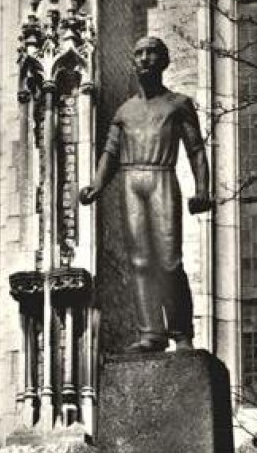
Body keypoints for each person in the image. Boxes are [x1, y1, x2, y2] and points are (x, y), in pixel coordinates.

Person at [79, 36, 212, 352]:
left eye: (152, 52)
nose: (145, 58)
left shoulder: (178, 104)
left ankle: (181, 333)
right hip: (131, 181)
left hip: (161, 176)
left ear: (163, 61)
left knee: (168, 260)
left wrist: (202, 190)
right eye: (139, 53)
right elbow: (111, 152)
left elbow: (195, 150)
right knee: (140, 261)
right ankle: (151, 332)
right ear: (133, 61)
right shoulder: (125, 111)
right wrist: (97, 184)